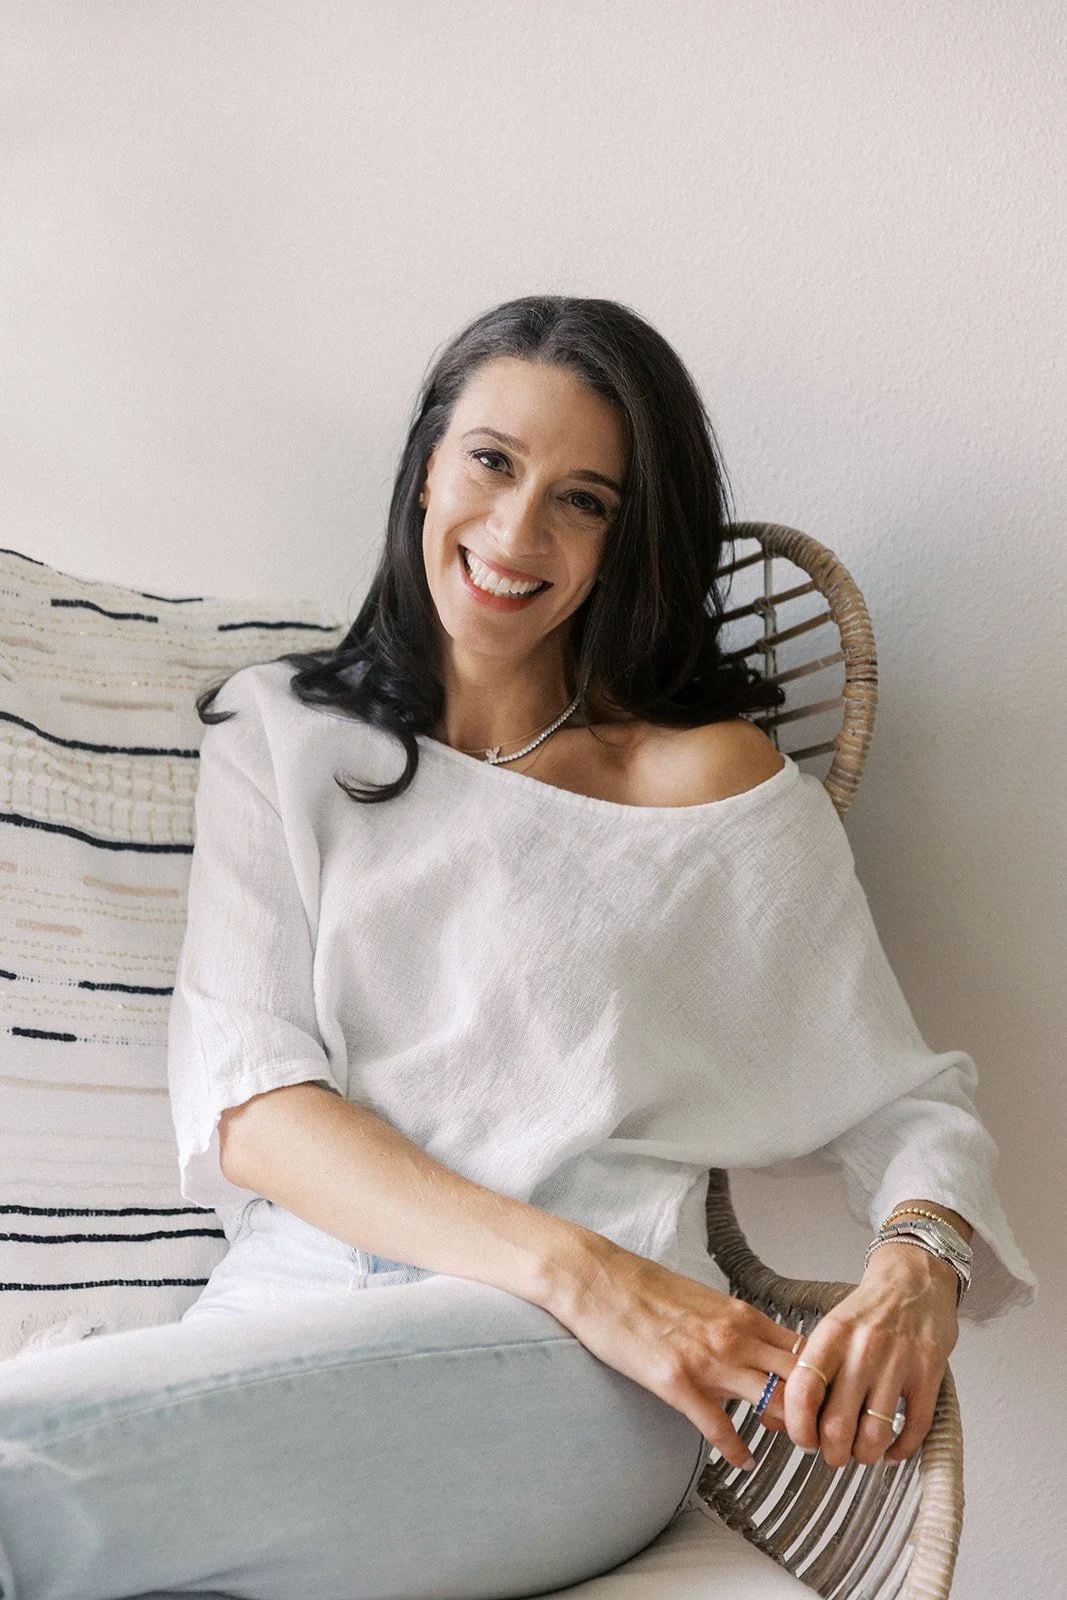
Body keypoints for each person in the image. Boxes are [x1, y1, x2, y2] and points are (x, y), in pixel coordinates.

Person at [0, 296, 1035, 1600]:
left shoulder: (703, 786)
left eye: (584, 499)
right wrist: (585, 1270)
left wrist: (916, 1266)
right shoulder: (280, 735)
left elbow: (898, 1096)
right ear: (428, 462)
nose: (515, 531)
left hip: (570, 1377)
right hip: (285, 1316)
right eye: (491, 462)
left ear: (628, 536)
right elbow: (255, 1109)